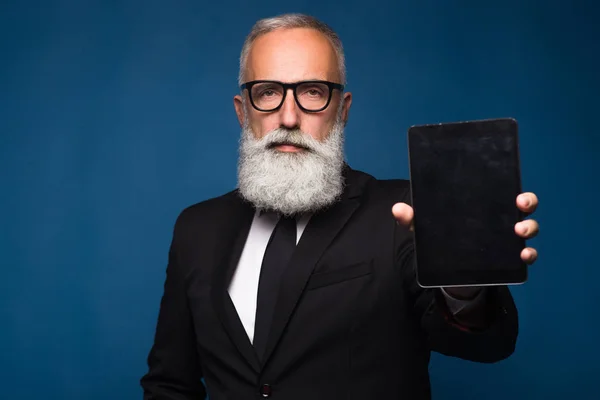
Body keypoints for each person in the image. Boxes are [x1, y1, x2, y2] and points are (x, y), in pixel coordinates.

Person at [140, 13, 540, 400]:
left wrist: (463, 286)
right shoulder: (197, 228)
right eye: (267, 92)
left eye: (312, 91)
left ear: (342, 110)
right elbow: (170, 384)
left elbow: (488, 345)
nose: (289, 116)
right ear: (242, 111)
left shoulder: (403, 213)